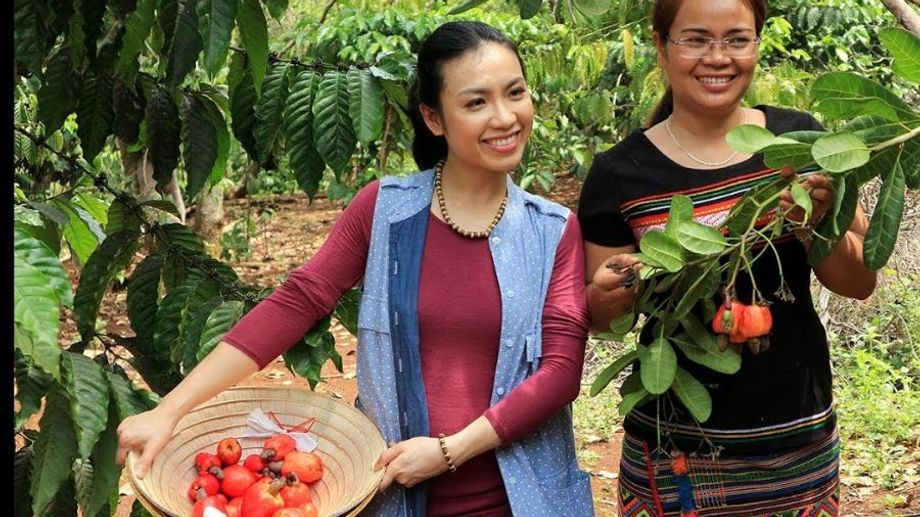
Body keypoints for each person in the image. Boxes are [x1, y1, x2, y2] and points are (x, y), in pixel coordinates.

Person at [116, 21, 595, 517]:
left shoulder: (552, 230)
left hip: (519, 501)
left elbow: (560, 373)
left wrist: (448, 451)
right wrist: (169, 410)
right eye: (476, 102)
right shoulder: (385, 210)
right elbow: (298, 301)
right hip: (391, 496)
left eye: (514, 93)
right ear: (434, 118)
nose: (505, 117)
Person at [577, 0, 877, 515]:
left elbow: (859, 282)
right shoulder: (619, 174)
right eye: (695, 38)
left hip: (797, 444)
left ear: (757, 44)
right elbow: (605, 323)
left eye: (737, 39)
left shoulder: (798, 140)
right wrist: (609, 293)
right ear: (661, 45)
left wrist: (813, 225)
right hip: (676, 456)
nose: (718, 57)